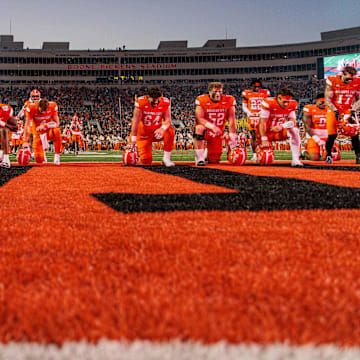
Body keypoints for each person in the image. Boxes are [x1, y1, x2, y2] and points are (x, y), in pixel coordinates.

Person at [193, 82, 236, 166]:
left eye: (220, 92)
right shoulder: (202, 100)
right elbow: (199, 118)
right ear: (209, 92)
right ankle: (200, 158)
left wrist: (232, 136)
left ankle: (206, 154)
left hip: (218, 133)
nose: (218, 94)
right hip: (206, 130)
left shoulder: (229, 100)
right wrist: (212, 127)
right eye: (215, 92)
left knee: (214, 161)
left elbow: (231, 120)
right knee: (199, 128)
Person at [130, 86, 175, 166]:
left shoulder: (164, 102)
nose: (156, 103)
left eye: (158, 100)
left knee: (169, 131)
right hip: (144, 135)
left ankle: (166, 159)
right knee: (146, 161)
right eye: (153, 101)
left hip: (157, 132)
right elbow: (135, 122)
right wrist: (133, 140)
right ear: (148, 97)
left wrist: (162, 129)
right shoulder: (141, 102)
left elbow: (168, 120)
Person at [259, 87, 303, 166]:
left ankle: (295, 160)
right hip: (266, 132)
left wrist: (282, 126)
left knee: (295, 131)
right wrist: (264, 138)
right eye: (284, 102)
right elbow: (262, 122)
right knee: (265, 159)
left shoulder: (292, 104)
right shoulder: (269, 103)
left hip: (278, 133)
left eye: (288, 102)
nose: (286, 104)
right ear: (278, 98)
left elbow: (293, 122)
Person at [324, 66, 360, 164]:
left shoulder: (357, 82)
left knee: (354, 133)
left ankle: (358, 155)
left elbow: (359, 99)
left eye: (352, 79)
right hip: (333, 109)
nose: (350, 81)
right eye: (348, 78)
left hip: (348, 110)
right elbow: (327, 99)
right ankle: (328, 155)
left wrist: (353, 110)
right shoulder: (333, 80)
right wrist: (335, 111)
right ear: (342, 74)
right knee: (332, 134)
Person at [23, 98, 62, 165]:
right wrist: (25, 141)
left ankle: (57, 156)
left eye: (45, 110)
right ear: (38, 106)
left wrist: (45, 125)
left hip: (48, 132)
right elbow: (27, 125)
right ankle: (43, 153)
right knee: (39, 160)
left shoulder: (52, 106)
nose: (43, 112)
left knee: (57, 131)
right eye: (41, 111)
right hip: (38, 134)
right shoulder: (31, 108)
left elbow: (57, 123)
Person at [242, 79, 270, 161]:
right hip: (252, 116)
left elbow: (268, 104)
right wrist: (249, 112)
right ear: (252, 86)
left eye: (258, 86)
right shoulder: (247, 93)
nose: (257, 88)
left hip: (262, 116)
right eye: (255, 86)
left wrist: (263, 112)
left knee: (263, 135)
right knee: (253, 135)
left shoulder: (265, 93)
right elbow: (244, 106)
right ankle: (254, 154)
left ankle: (263, 152)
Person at [301, 93, 328, 161]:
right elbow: (307, 126)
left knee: (334, 157)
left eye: (325, 102)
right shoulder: (310, 108)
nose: (324, 104)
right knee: (314, 158)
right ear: (316, 101)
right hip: (313, 136)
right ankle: (303, 152)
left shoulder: (330, 109)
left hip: (327, 136)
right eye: (322, 102)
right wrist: (316, 139)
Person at [0, 104, 18, 168]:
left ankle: (5, 158)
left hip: (1, 142)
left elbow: (15, 128)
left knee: (3, 130)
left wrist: (4, 124)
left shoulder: (4, 110)